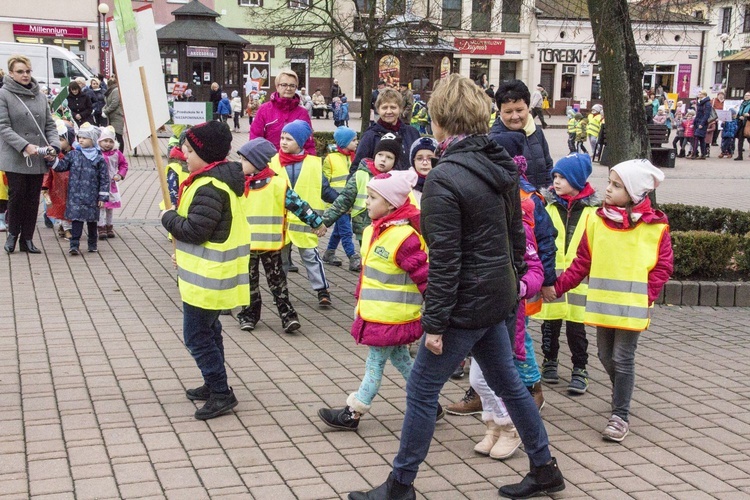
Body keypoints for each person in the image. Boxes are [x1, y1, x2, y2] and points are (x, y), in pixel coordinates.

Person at [349, 73, 565, 500]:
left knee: (423, 389)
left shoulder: (445, 177)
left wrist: (435, 323)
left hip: (467, 304)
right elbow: (515, 238)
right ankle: (544, 468)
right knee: (508, 383)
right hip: (497, 297)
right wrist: (514, 286)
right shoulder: (500, 162)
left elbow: (445, 260)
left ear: (439, 121)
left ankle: (400, 484)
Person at [551, 159, 673, 442]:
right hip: (604, 305)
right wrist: (556, 289)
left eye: (616, 185)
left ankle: (620, 415)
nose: (607, 189)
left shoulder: (655, 227)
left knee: (622, 357)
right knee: (606, 356)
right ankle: (623, 395)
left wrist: (646, 295)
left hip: (632, 309)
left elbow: (663, 267)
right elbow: (581, 263)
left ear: (634, 193)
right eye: (609, 182)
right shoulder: (596, 220)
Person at [318, 169, 439, 432]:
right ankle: (430, 404)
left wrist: (437, 315)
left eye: (372, 198)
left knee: (374, 364)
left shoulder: (404, 238)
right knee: (401, 360)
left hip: (392, 316)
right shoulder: (378, 230)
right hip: (378, 313)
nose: (366, 203)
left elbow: (425, 278)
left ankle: (354, 412)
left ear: (391, 204)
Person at [161, 121, 247, 420]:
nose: (183, 155)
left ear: (205, 153)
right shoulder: (212, 179)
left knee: (197, 336)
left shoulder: (210, 186)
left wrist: (168, 217)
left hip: (208, 277)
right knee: (210, 331)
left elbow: (196, 230)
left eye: (188, 150)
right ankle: (214, 383)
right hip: (205, 274)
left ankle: (221, 391)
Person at [470, 153, 545, 461]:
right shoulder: (480, 225)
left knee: (499, 377)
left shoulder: (520, 228)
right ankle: (493, 423)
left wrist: (518, 287)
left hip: (504, 315)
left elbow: (535, 269)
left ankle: (511, 426)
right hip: (479, 311)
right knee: (477, 378)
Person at [236, 137, 326, 334]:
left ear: (258, 163)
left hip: (272, 244)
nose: (240, 164)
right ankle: (249, 314)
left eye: (244, 160)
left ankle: (288, 316)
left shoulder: (278, 184)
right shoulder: (238, 185)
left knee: (278, 282)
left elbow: (299, 206)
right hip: (246, 246)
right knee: (248, 283)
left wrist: (316, 221)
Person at [536, 153, 598, 394]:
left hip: (579, 281)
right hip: (551, 279)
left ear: (578, 180)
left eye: (563, 177)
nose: (557, 182)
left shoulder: (593, 212)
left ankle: (579, 368)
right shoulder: (548, 207)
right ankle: (549, 360)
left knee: (576, 328)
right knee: (549, 323)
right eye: (555, 177)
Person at [270, 120, 336, 306]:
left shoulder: (314, 164)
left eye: (289, 139)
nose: (283, 142)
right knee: (280, 260)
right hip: (279, 222)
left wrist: (341, 202)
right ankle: (280, 292)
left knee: (311, 257)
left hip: (306, 223)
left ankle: (322, 290)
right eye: (282, 137)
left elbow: (324, 189)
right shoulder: (273, 162)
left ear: (300, 141)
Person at [1, 54, 60, 254]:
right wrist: (24, 145)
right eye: (20, 71)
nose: (25, 75)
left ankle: (27, 238)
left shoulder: (40, 96)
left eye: (27, 71)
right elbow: (3, 127)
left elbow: (49, 125)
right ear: (11, 73)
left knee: (33, 199)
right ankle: (12, 235)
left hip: (37, 157)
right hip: (16, 155)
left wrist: (54, 146)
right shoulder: (4, 94)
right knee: (16, 196)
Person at [322, 134, 402, 245]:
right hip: (363, 227)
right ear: (375, 155)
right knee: (366, 258)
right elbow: (343, 200)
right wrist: (324, 222)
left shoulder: (396, 179)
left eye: (389, 157)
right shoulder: (360, 174)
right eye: (380, 155)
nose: (383, 159)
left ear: (395, 161)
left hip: (388, 229)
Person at [48, 123, 109, 256]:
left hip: (92, 197)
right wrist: (52, 159)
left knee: (92, 222)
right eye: (79, 137)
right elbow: (61, 166)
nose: (81, 140)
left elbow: (104, 179)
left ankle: (92, 244)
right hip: (75, 197)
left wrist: (102, 197)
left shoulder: (99, 159)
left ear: (92, 140)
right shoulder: (73, 155)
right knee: (76, 221)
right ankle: (74, 245)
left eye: (85, 138)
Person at [489, 80, 553, 189]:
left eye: (519, 110)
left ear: (528, 108)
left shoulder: (536, 131)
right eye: (508, 112)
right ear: (499, 112)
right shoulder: (494, 140)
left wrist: (549, 195)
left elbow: (548, 166)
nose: (515, 116)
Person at [352, 88, 420, 173]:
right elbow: (357, 168)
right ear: (378, 110)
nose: (389, 111)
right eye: (384, 108)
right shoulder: (370, 136)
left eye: (393, 107)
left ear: (400, 109)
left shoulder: (412, 133)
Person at [322, 126, 361, 271]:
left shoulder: (355, 158)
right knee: (346, 230)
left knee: (339, 230)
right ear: (344, 142)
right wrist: (333, 199)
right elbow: (325, 182)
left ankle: (329, 253)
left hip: (351, 202)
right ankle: (353, 257)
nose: (357, 142)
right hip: (337, 203)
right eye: (353, 140)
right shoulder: (330, 159)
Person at [250, 69, 316, 155]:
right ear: (277, 87)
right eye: (284, 85)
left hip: (295, 164)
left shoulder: (302, 113)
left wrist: (311, 161)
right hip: (270, 163)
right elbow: (255, 139)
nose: (288, 88)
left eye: (292, 85)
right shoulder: (264, 110)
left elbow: (308, 142)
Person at [42, 122, 74, 239]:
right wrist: (45, 186)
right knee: (61, 207)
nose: (58, 143)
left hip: (72, 186)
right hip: (58, 187)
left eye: (61, 139)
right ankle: (67, 229)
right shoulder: (55, 156)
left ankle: (63, 226)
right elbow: (48, 172)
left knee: (69, 207)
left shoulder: (75, 155)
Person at [97, 126, 128, 239]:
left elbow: (123, 164)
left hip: (112, 183)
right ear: (100, 141)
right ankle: (100, 226)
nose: (108, 144)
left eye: (110, 141)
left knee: (110, 206)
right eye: (105, 141)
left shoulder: (116, 153)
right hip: (99, 183)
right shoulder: (97, 153)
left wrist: (120, 174)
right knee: (101, 206)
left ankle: (109, 226)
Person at [408, 137, 437, 207]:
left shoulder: (445, 184)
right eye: (419, 158)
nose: (424, 163)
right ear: (413, 161)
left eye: (430, 158)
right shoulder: (405, 186)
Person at [102, 77, 125, 152]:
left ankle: (120, 153)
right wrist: (104, 109)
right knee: (113, 135)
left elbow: (114, 104)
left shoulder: (116, 90)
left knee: (118, 136)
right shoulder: (110, 91)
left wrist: (105, 111)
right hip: (111, 117)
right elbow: (108, 103)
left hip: (117, 117)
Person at [691, 90, 711, 160]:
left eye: (700, 93)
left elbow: (706, 114)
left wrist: (702, 123)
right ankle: (703, 154)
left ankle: (694, 154)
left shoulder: (707, 103)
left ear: (704, 95)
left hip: (702, 122)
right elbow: (698, 113)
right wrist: (694, 122)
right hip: (697, 121)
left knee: (696, 137)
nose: (698, 94)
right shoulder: (699, 102)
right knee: (702, 138)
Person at [736, 91, 750, 161]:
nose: (746, 96)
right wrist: (739, 117)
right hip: (742, 124)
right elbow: (739, 114)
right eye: (745, 95)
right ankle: (740, 156)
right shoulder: (742, 104)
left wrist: (748, 116)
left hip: (748, 124)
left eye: (748, 95)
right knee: (740, 140)